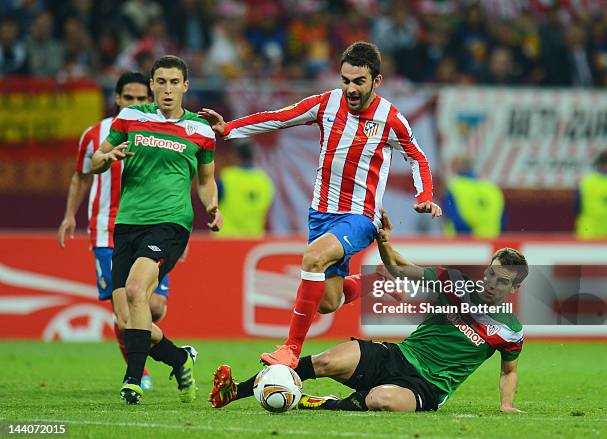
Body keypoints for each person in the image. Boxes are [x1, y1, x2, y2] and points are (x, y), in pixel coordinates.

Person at [199, 41, 442, 368]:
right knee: (328, 301)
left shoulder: (390, 118)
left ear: (376, 81)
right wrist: (228, 129)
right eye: (345, 80)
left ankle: (290, 349)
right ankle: (373, 281)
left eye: (359, 82)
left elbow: (418, 158)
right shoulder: (326, 104)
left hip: (360, 216)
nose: (351, 89)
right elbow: (279, 118)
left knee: (312, 259)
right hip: (321, 215)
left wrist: (424, 196)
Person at [209, 210, 527, 413]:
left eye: (502, 281)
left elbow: (508, 371)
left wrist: (506, 405)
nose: (491, 282)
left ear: (514, 289)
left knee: (380, 400)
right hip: (397, 355)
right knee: (326, 361)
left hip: (427, 388)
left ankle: (316, 403)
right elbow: (398, 268)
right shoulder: (455, 283)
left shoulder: (510, 330)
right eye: (490, 273)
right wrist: (384, 241)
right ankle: (234, 391)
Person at [90, 55, 222, 404]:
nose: (167, 89)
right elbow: (96, 161)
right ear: (152, 85)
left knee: (136, 291)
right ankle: (179, 359)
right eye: (160, 82)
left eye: (173, 82)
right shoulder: (131, 118)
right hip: (127, 223)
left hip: (170, 224)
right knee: (125, 317)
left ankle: (132, 380)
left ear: (185, 86)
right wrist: (109, 157)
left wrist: (212, 206)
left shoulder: (201, 129)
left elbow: (206, 182)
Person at [58, 72, 170, 391]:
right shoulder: (95, 134)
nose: (134, 103)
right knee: (126, 315)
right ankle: (139, 371)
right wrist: (69, 215)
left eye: (141, 98)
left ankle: (157, 348)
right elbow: (81, 176)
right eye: (128, 98)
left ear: (149, 100)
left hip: (153, 228)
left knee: (156, 308)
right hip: (108, 231)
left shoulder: (162, 130)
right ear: (117, 99)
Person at [215, 141, 274, 238]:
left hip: (225, 239)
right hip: (253, 240)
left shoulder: (226, 178)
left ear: (234, 156)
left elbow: (211, 205)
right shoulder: (265, 181)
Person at [442, 156, 505, 238]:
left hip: (462, 243)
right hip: (491, 242)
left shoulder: (453, 187)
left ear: (456, 168)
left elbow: (453, 216)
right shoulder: (492, 188)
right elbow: (503, 220)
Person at [575, 149, 607, 239]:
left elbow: (577, 207)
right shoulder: (586, 182)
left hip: (590, 230)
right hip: (591, 231)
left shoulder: (586, 181)